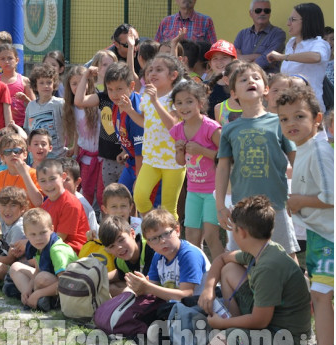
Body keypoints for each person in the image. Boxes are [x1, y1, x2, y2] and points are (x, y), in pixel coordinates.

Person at [197, 196, 311, 345]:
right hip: (270, 323)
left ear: (241, 232)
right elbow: (222, 259)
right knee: (229, 269)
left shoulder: (268, 268)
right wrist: (208, 288)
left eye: (233, 229)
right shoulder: (264, 248)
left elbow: (260, 321)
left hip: (284, 337)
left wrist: (223, 323)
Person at [215, 61, 300, 257]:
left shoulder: (280, 122)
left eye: (255, 78)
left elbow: (296, 159)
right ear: (233, 93)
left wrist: (299, 194)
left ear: (266, 89)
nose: (250, 81)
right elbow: (223, 167)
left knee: (286, 257)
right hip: (242, 209)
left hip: (276, 205)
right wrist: (220, 205)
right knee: (239, 261)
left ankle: (298, 289)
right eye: (243, 79)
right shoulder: (229, 129)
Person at [277, 86, 334, 345]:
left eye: (299, 116)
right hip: (319, 234)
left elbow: (331, 196)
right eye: (284, 118)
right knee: (322, 295)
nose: (291, 124)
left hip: (330, 237)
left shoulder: (320, 150)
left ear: (318, 119)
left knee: (322, 296)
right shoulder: (304, 149)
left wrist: (298, 200)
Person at [120, 54, 186, 220]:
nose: (152, 74)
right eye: (150, 70)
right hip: (151, 159)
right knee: (139, 196)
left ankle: (170, 236)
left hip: (173, 161)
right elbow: (144, 122)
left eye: (159, 70)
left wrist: (156, 101)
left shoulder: (177, 98)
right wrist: (129, 110)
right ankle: (155, 227)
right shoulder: (146, 97)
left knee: (169, 209)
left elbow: (173, 127)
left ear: (173, 75)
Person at [169, 81, 224, 260]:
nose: (184, 107)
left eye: (189, 101)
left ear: (200, 103)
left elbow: (226, 155)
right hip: (193, 190)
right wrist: (179, 151)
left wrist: (202, 151)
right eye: (179, 103)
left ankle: (222, 276)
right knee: (191, 236)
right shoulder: (177, 130)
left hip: (214, 191)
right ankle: (199, 274)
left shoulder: (210, 127)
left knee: (210, 235)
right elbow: (180, 163)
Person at [76, 62, 144, 196]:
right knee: (119, 197)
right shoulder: (116, 103)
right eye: (110, 89)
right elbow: (79, 102)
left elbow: (140, 152)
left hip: (143, 165)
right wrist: (125, 150)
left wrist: (140, 180)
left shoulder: (135, 109)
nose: (114, 94)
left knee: (138, 200)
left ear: (131, 86)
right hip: (130, 161)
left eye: (119, 89)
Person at [126, 208, 210, 304]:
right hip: (177, 309)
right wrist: (139, 286)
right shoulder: (158, 257)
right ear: (149, 244)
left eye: (166, 234)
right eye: (154, 238)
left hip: (200, 309)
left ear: (177, 230)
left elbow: (186, 295)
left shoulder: (189, 254)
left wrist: (148, 287)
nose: (162, 241)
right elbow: (151, 287)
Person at [8, 208, 78, 311]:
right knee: (15, 267)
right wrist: (27, 290)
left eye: (43, 232)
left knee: (41, 278)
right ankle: (29, 297)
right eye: (33, 234)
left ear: (52, 229)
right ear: (26, 234)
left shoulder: (57, 250)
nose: (38, 238)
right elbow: (37, 270)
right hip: (52, 281)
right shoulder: (37, 246)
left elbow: (65, 281)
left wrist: (38, 293)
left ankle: (48, 300)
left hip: (72, 286)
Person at [268, 3, 331, 112]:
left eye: (293, 19)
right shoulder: (291, 43)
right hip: (288, 105)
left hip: (310, 107)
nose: (288, 23)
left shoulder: (319, 43)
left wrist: (283, 57)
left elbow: (316, 57)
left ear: (307, 21)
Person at [62, 65, 101, 208]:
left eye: (82, 82)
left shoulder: (96, 104)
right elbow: (78, 133)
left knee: (101, 193)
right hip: (85, 157)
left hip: (100, 157)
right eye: (74, 83)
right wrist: (75, 153)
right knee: (86, 191)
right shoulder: (70, 107)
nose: (78, 86)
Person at [37, 159, 89, 254]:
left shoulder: (70, 203)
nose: (48, 185)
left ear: (63, 177)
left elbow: (59, 239)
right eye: (43, 181)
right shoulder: (45, 204)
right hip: (52, 247)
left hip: (72, 252)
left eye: (52, 179)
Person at [100, 215, 155, 297]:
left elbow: (149, 288)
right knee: (107, 287)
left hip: (164, 294)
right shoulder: (119, 261)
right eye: (112, 246)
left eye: (121, 240)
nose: (119, 247)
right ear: (107, 250)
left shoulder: (151, 248)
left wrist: (127, 291)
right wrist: (96, 280)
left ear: (132, 233)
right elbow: (120, 274)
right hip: (144, 291)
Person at [23, 64, 66, 158]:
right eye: (41, 83)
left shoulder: (59, 104)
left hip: (57, 155)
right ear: (35, 85)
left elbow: (70, 126)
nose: (45, 86)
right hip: (35, 157)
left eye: (49, 82)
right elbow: (28, 130)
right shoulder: (31, 106)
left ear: (54, 84)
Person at [233, 0, 286, 74]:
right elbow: (233, 58)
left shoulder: (278, 34)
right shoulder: (242, 34)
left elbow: (266, 59)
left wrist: (242, 59)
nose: (262, 13)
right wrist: (256, 56)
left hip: (267, 81)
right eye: (258, 11)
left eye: (266, 11)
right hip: (242, 81)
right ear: (251, 13)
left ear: (270, 13)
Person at [0, 133, 42, 208]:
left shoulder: (34, 173)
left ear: (25, 154)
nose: (13, 154)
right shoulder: (0, 176)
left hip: (29, 218)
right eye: (8, 151)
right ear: (2, 157)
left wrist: (24, 174)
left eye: (17, 151)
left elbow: (38, 202)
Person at [59, 157, 98, 235]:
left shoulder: (81, 205)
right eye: (58, 179)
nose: (61, 183)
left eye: (66, 180)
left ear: (77, 182)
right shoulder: (54, 199)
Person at [0, 44, 34, 127]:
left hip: (21, 126)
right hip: (0, 127)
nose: (6, 61)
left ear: (17, 60)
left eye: (10, 58)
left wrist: (26, 99)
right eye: (3, 59)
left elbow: (35, 105)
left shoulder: (24, 81)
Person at [204, 40, 238, 120]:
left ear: (234, 62)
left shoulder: (240, 87)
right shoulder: (203, 87)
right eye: (215, 58)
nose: (219, 62)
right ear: (210, 64)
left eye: (224, 58)